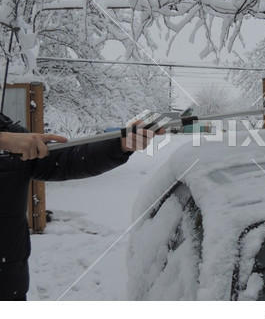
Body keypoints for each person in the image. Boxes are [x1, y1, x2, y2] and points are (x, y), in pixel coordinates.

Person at [0, 113, 163, 300]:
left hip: (9, 281)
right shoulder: (9, 138)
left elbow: (67, 160)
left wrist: (121, 144)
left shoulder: (13, 133)